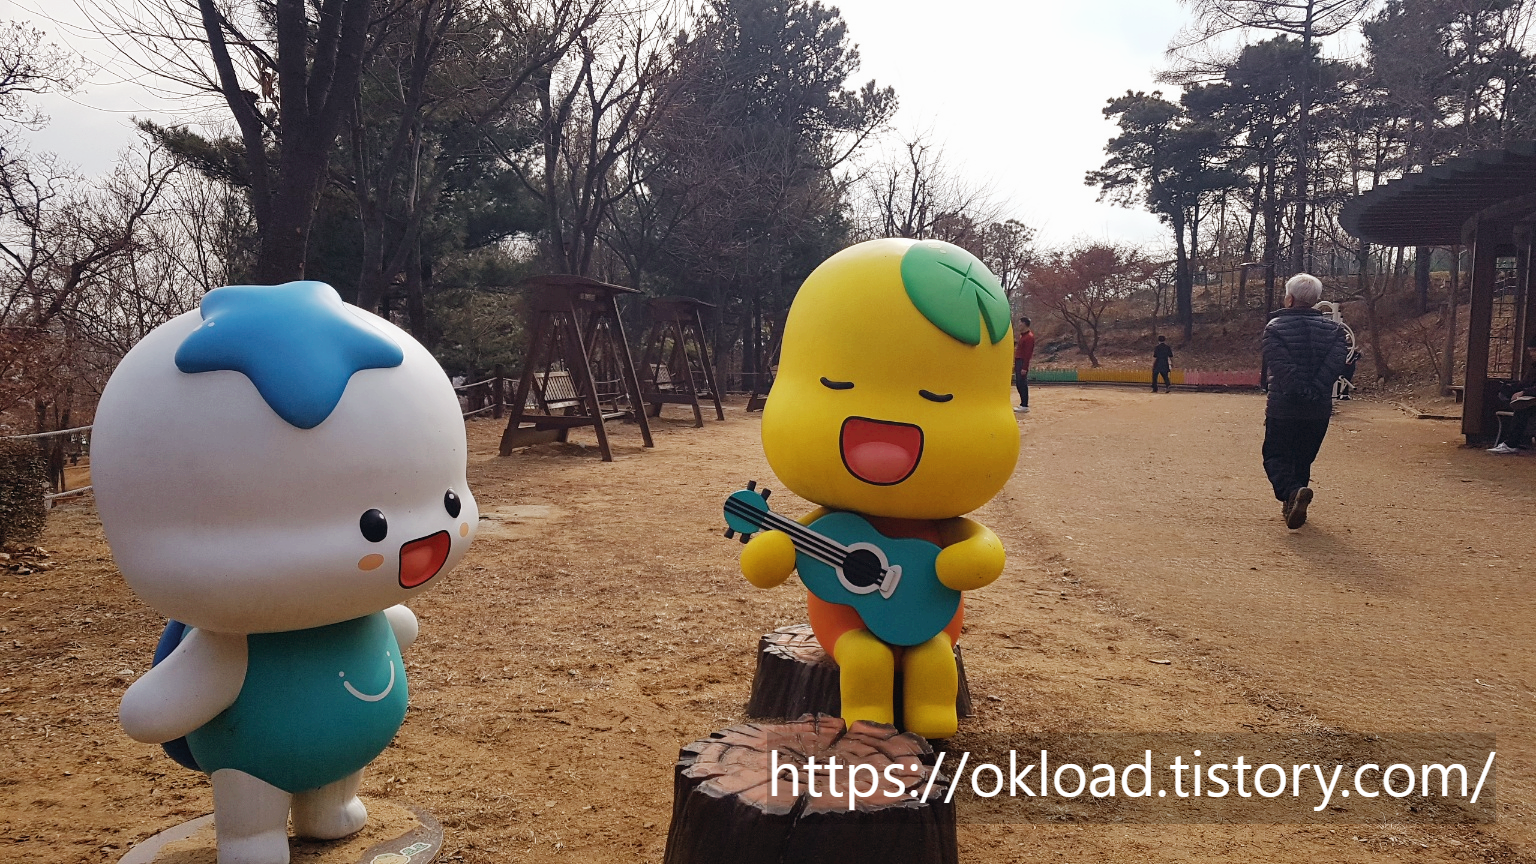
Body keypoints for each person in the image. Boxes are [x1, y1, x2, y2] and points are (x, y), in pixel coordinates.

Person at [1260, 274, 1349, 529]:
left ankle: (1292, 493)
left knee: (1275, 455)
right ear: (1316, 300)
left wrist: (1299, 390)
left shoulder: (1274, 328)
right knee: (1303, 457)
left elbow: (1280, 366)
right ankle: (1294, 503)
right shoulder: (1335, 331)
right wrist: (1315, 391)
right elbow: (1335, 366)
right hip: (1318, 408)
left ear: (1289, 298)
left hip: (1283, 406)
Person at [1488, 338, 1536, 454]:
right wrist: (1510, 388)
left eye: (1534, 351)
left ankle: (1511, 443)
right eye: (1530, 351)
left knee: (1522, 409)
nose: (1531, 354)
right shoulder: (1533, 366)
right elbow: (1524, 383)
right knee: (1517, 404)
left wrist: (1524, 393)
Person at [1014, 316, 1035, 413]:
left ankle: (1024, 405)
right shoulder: (1022, 336)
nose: (1019, 325)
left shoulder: (1029, 337)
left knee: (1022, 383)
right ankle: (1022, 404)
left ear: (1024, 324)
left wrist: (1024, 367)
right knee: (1019, 383)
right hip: (1019, 360)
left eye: (1020, 323)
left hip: (1022, 361)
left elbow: (1028, 354)